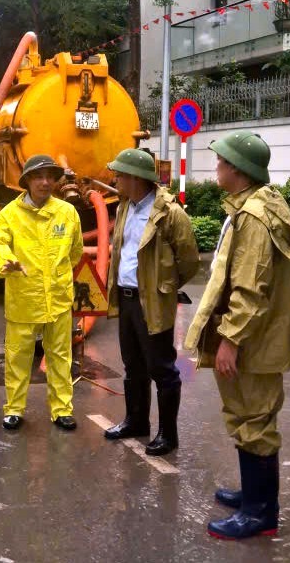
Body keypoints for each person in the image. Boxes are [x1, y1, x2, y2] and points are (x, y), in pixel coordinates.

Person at [183, 131, 290, 540]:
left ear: (236, 168)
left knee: (255, 420)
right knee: (246, 415)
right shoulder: (250, 207)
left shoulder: (252, 216)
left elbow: (251, 288)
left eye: (220, 160)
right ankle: (253, 494)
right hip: (256, 337)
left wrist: (229, 340)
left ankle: (260, 513)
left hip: (252, 341)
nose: (215, 166)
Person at [103, 148, 200, 456]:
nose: (115, 178)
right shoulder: (123, 207)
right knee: (133, 365)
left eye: (120, 174)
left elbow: (189, 260)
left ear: (135, 178)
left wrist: (164, 288)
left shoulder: (169, 213)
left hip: (152, 301)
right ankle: (136, 421)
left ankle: (167, 435)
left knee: (162, 368)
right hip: (127, 297)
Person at [0, 155, 83, 431]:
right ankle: (14, 409)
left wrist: (57, 276)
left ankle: (62, 409)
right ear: (27, 181)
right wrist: (6, 260)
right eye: (38, 177)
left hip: (58, 298)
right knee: (18, 357)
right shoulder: (10, 214)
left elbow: (75, 252)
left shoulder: (67, 213)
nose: (45, 182)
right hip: (24, 297)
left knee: (60, 356)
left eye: (50, 177)